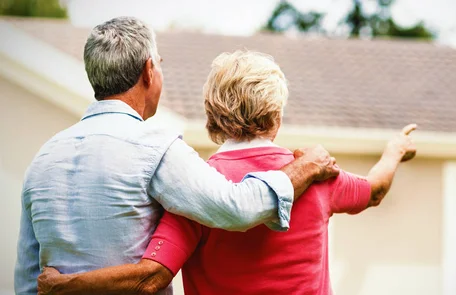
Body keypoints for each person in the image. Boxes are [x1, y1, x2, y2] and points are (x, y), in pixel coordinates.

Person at [37, 50, 417, 294]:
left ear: (212, 114)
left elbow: (149, 277)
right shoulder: (318, 173)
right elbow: (377, 189)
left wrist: (65, 284)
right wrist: (395, 149)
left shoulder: (196, 188)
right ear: (277, 113)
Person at [15, 18, 339, 295]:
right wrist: (305, 168)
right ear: (148, 71)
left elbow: (30, 279)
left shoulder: (44, 157)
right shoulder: (154, 147)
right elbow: (238, 208)